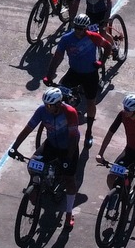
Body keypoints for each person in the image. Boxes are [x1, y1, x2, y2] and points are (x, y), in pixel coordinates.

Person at [9, 87, 85, 226]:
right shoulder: (42, 110)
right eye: (45, 104)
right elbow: (28, 129)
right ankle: (36, 189)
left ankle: (69, 213)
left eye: (50, 105)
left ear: (58, 104)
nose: (47, 108)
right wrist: (14, 147)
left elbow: (74, 137)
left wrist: (68, 158)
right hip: (51, 144)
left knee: (69, 179)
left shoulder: (70, 112)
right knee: (32, 165)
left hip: (68, 146)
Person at [95, 93, 135, 235]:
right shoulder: (122, 115)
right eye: (124, 107)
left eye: (128, 109)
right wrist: (100, 153)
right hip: (129, 151)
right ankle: (116, 195)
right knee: (111, 176)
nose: (125, 110)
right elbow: (110, 132)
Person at [45, 14, 115, 135]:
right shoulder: (66, 39)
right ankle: (69, 114)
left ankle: (89, 130)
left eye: (81, 29)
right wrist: (49, 75)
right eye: (76, 27)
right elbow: (57, 58)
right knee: (60, 93)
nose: (78, 31)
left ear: (86, 28)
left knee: (90, 103)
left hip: (90, 75)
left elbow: (108, 47)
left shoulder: (94, 37)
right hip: (74, 73)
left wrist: (102, 62)